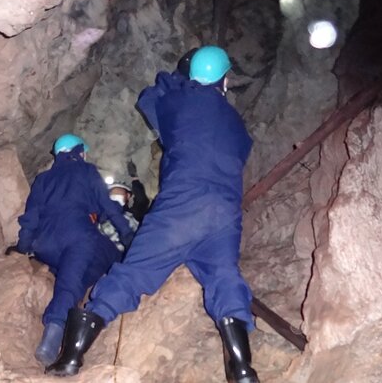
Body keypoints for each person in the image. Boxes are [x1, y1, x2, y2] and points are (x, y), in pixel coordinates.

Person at [47, 47, 260, 383]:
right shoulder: (236, 125)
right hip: (224, 213)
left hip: (181, 208)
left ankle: (72, 356)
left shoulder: (179, 103)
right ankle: (242, 368)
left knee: (132, 273)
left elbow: (151, 96)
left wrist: (184, 79)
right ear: (225, 79)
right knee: (224, 276)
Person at [6, 134, 134, 367]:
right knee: (96, 263)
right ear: (78, 151)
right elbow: (109, 209)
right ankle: (52, 339)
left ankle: (72, 311)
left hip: (44, 245)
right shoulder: (86, 171)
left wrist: (22, 247)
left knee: (77, 278)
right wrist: (129, 238)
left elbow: (31, 218)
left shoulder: (43, 179)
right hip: (77, 236)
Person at [99, 181, 140, 252]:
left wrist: (135, 179)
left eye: (119, 192)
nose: (115, 195)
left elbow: (141, 200)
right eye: (112, 193)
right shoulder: (101, 215)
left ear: (128, 195)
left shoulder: (133, 214)